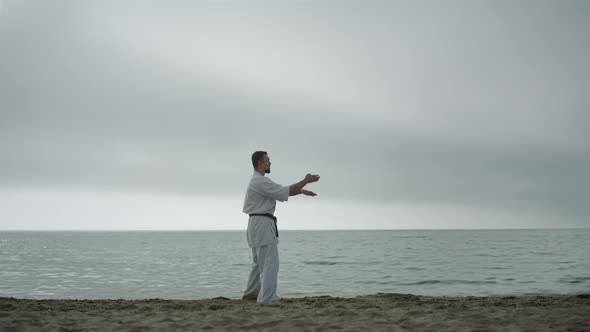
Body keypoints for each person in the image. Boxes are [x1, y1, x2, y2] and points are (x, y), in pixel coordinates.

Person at [241, 151, 320, 304]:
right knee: (270, 262)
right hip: (262, 225)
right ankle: (267, 298)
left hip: (256, 224)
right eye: (267, 160)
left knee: (259, 263)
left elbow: (281, 192)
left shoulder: (258, 181)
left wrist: (302, 190)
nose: (270, 163)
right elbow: (284, 191)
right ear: (260, 163)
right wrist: (305, 181)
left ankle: (252, 294)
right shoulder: (259, 181)